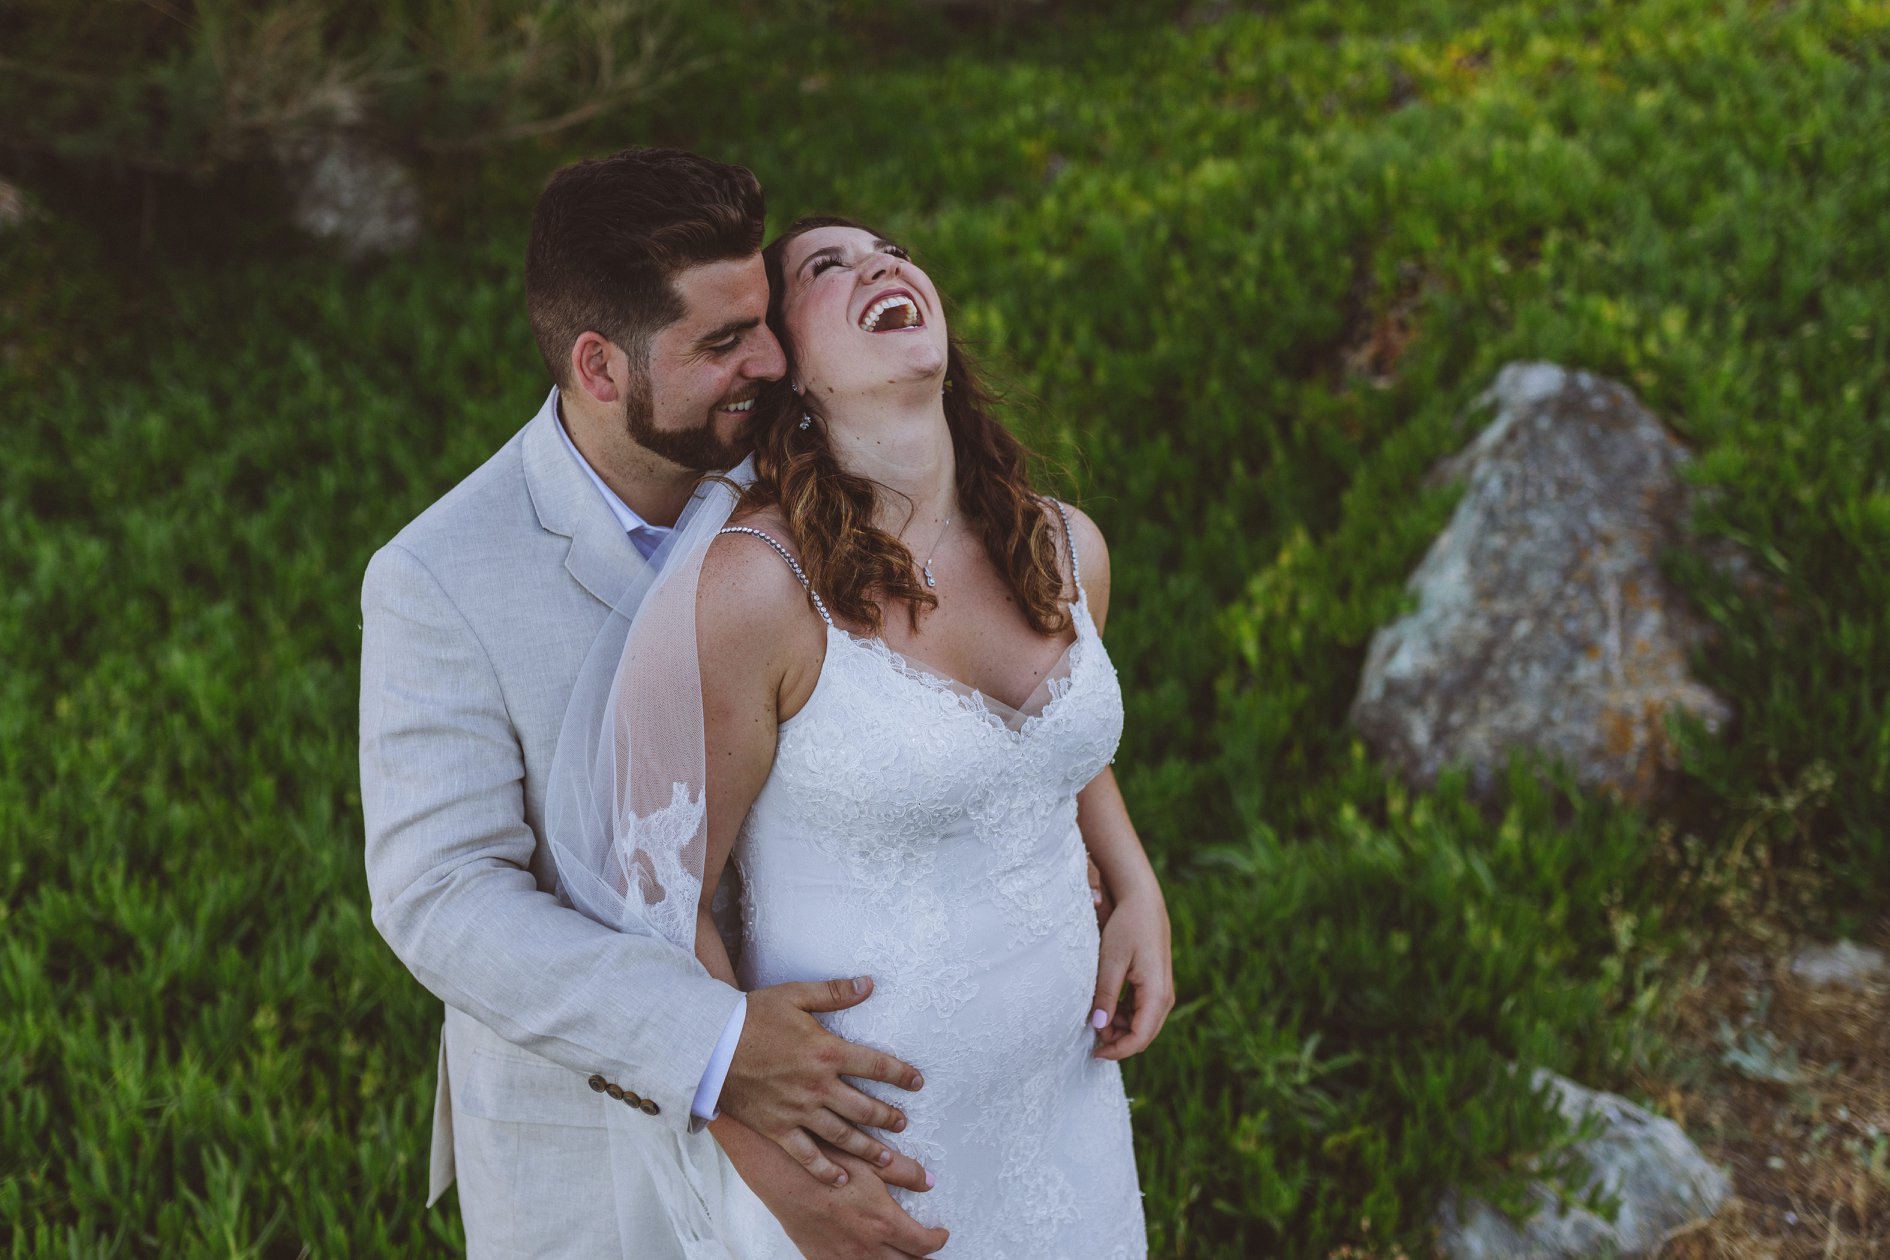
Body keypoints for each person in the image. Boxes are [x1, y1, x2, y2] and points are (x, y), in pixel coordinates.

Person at [360, 151, 948, 1259]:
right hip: (595, 1143)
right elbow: (439, 895)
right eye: (722, 344)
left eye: (765, 320)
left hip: (864, 1078)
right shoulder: (439, 575)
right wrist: (715, 1042)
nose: (771, 362)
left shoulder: (812, 470)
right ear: (598, 365)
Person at [558, 216, 1174, 1256]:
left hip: (1067, 1118)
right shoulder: (761, 593)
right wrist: (780, 1168)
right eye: (826, 267)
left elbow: (1051, 751)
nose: (879, 265)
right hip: (867, 1163)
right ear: (788, 371)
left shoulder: (1065, 545)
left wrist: (1135, 880)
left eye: (888, 249)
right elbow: (660, 906)